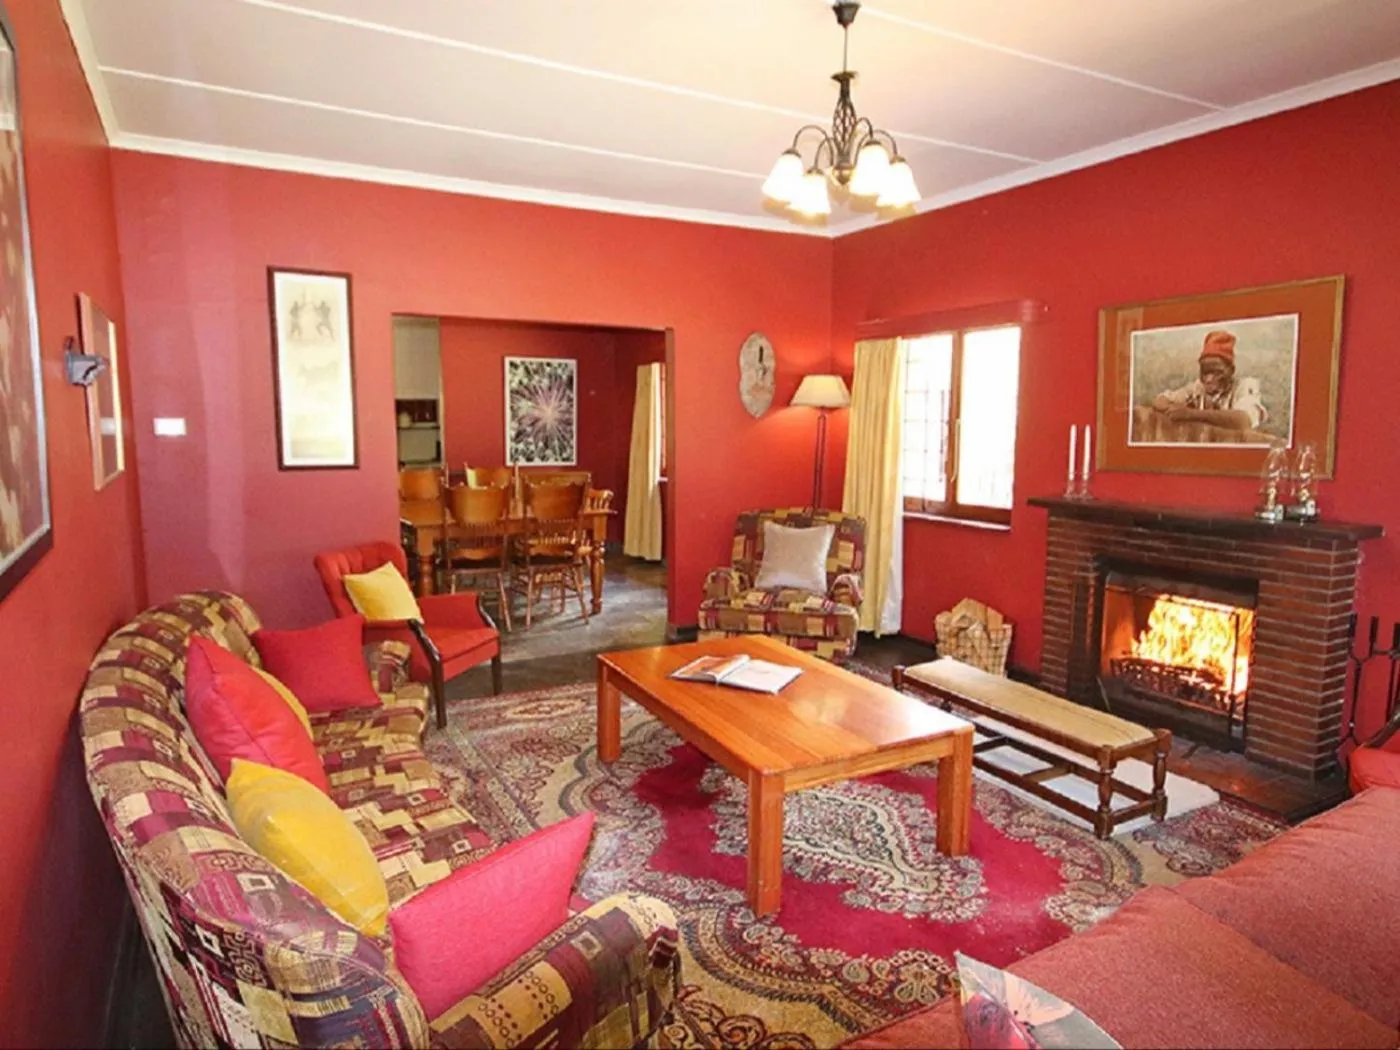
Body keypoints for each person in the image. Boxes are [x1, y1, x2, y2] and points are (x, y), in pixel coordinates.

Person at [1151, 330, 1266, 432]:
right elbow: (1159, 400)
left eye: (1217, 372)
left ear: (1231, 371)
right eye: (1205, 372)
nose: (1209, 379)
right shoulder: (1198, 387)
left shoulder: (1245, 386)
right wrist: (1173, 409)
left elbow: (1243, 421)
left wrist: (1191, 414)